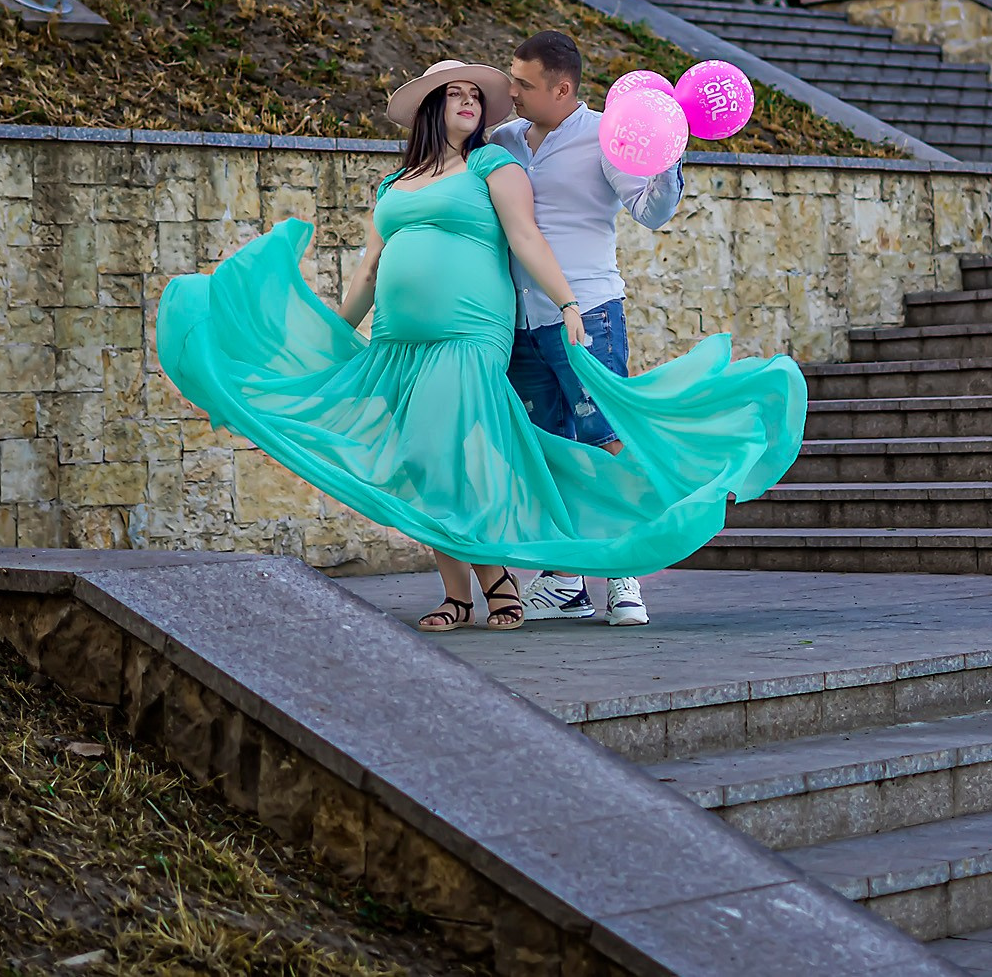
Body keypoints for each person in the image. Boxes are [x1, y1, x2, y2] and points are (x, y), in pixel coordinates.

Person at [154, 58, 805, 634]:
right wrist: (336, 329)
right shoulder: (396, 183)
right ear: (432, 106)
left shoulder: (495, 163)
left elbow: (526, 239)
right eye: (455, 93)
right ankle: (459, 596)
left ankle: (516, 583)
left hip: (470, 336)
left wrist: (571, 301)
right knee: (422, 461)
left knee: (455, 448)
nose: (470, 102)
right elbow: (370, 269)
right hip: (396, 340)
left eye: (477, 94)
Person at [495, 32, 684, 627]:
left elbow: (650, 212)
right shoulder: (504, 139)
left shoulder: (607, 136)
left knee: (605, 436)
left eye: (524, 84)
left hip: (589, 311)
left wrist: (667, 158)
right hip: (521, 318)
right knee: (546, 443)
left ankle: (625, 575)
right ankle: (566, 580)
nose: (512, 91)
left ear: (563, 88)